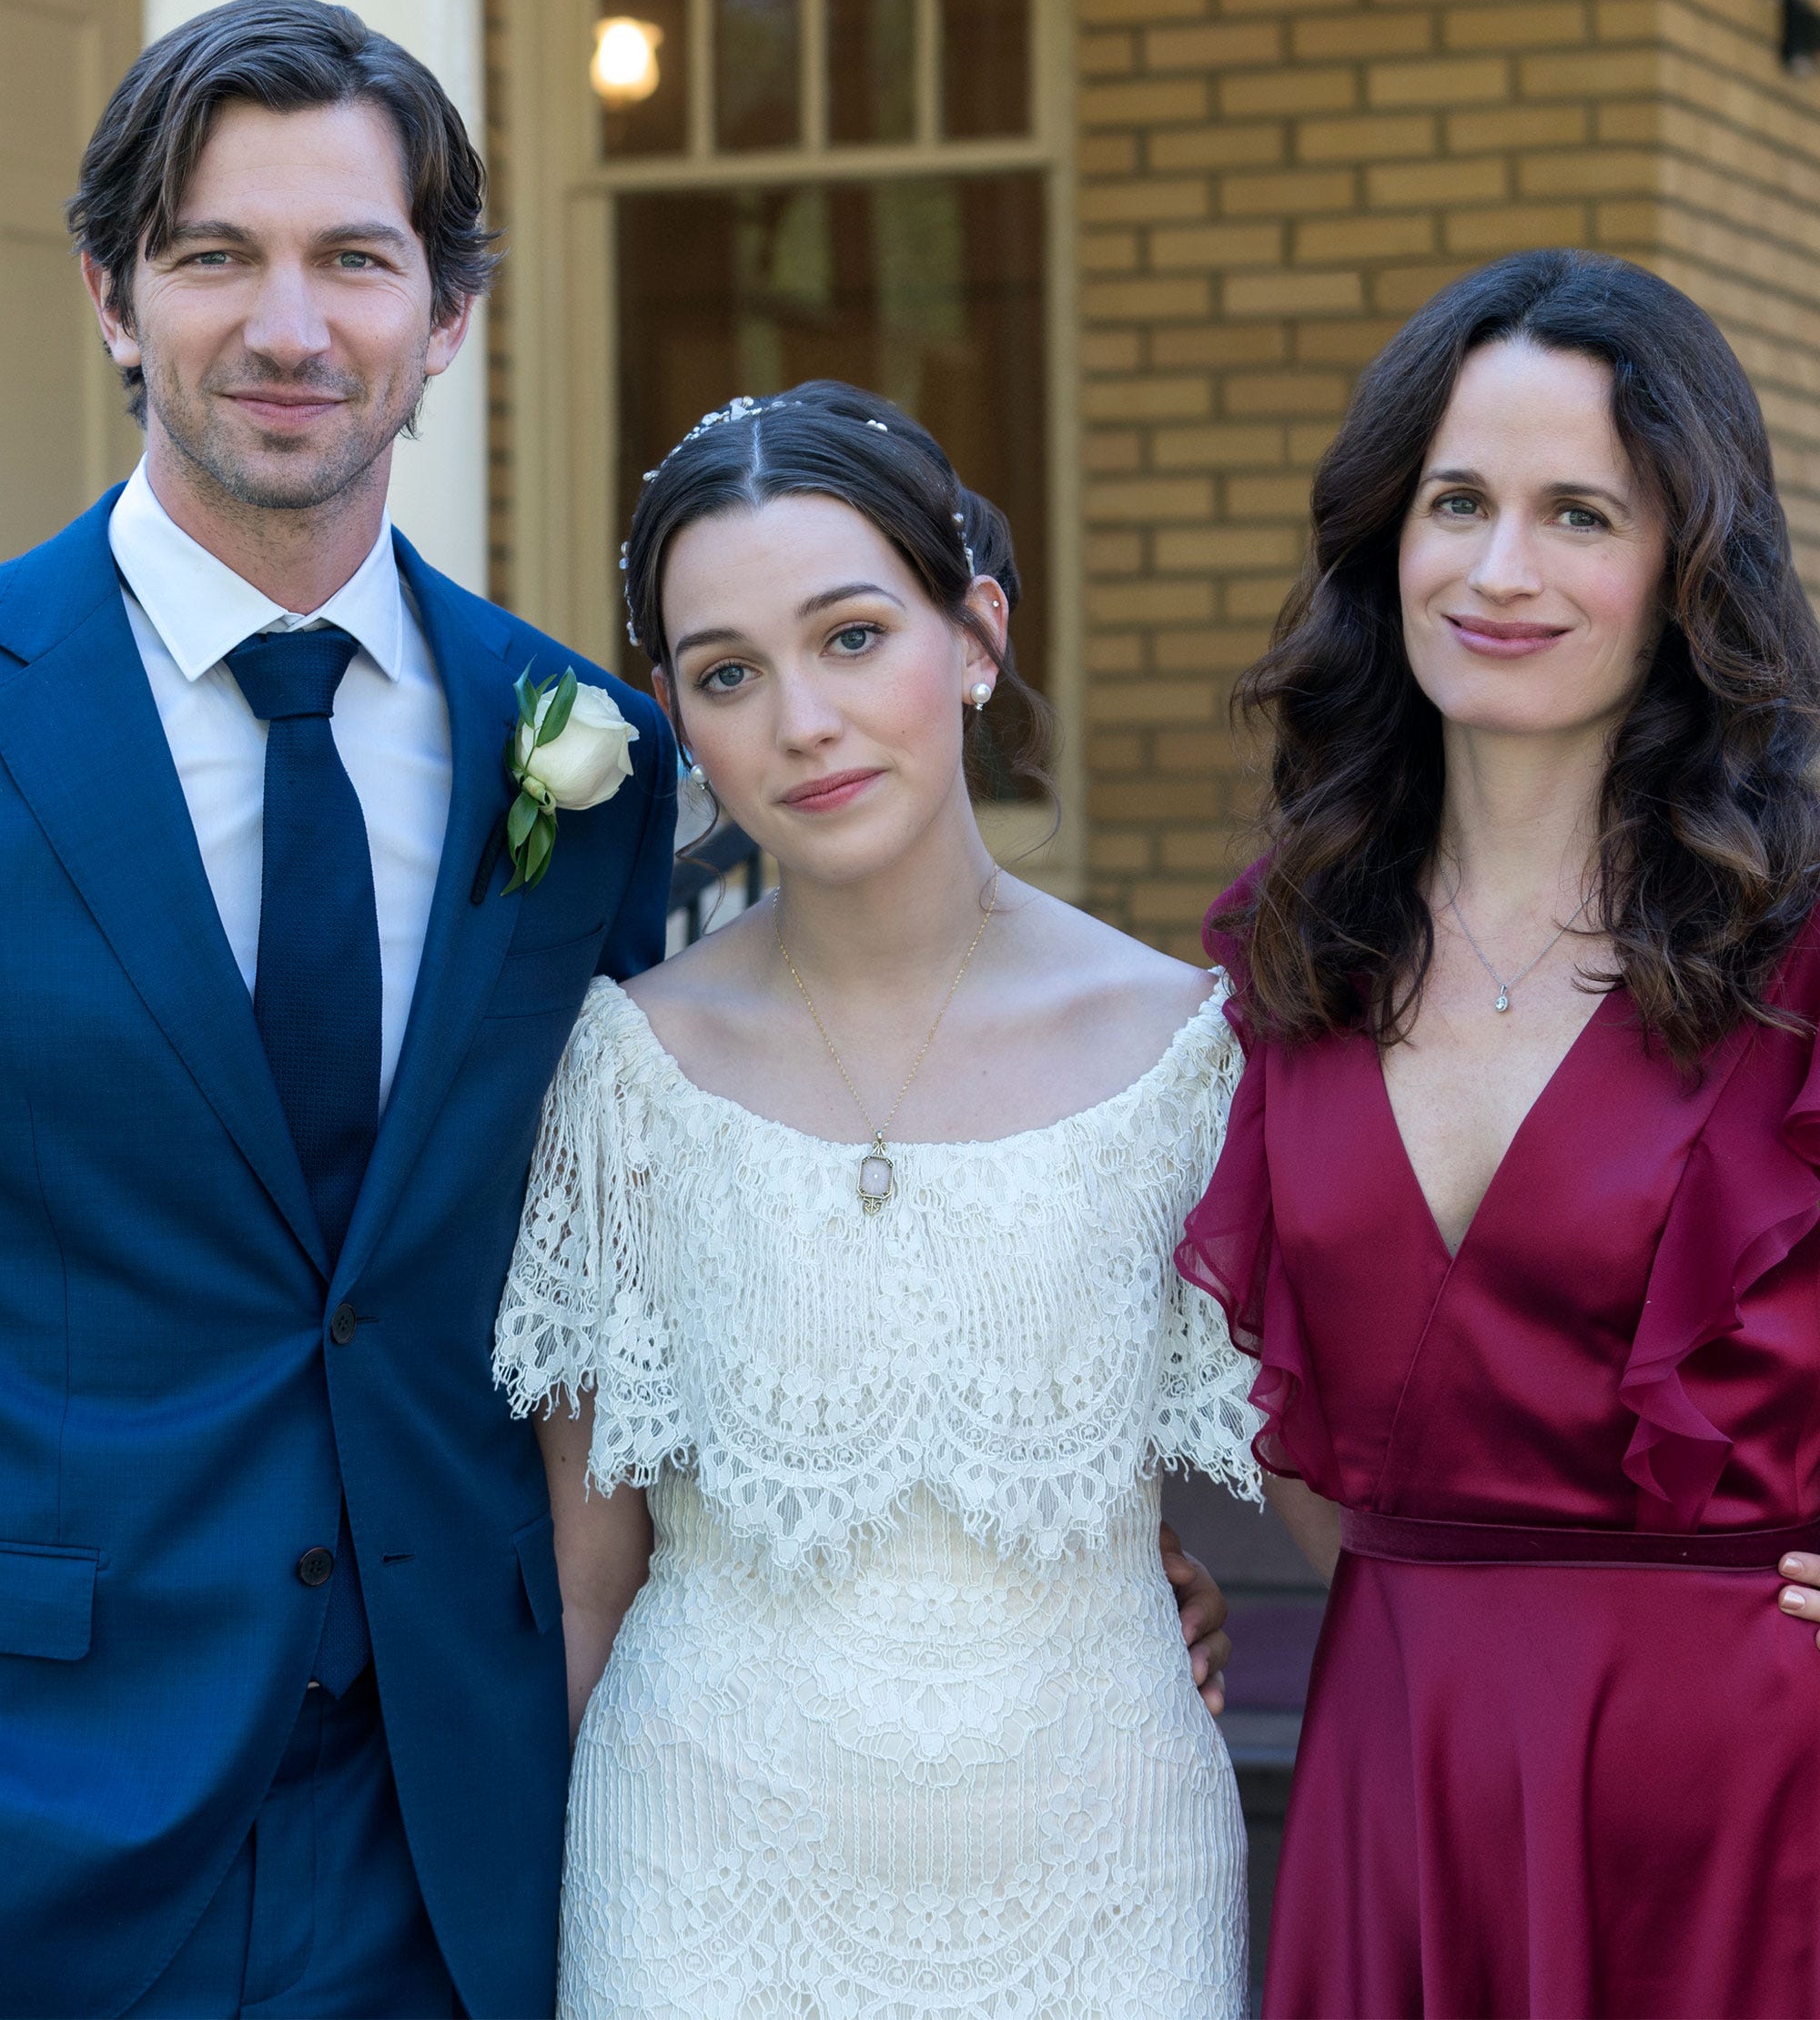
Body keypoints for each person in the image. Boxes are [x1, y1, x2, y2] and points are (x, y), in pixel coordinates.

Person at [0, 0, 678, 2018]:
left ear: (447, 315)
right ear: (113, 297)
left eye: (355, 260)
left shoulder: (587, 753)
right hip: (50, 1792)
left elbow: (624, 1260)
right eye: (217, 254)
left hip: (457, 1814)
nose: (288, 327)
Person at [493, 382, 1261, 2018]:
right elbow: (586, 1573)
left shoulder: (1189, 1056)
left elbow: (1371, 1485)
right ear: (675, 716)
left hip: (1106, 1874)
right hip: (697, 1887)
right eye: (728, 674)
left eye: (853, 637)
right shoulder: (623, 1068)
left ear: (975, 634)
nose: (804, 722)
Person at [1177, 247, 1820, 2017]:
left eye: (1577, 515)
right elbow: (1301, 1429)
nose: (1500, 569)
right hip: (1406, 1757)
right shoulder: (1288, 954)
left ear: (1684, 569)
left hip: (1751, 1792)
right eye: (1456, 502)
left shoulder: (1802, 955)